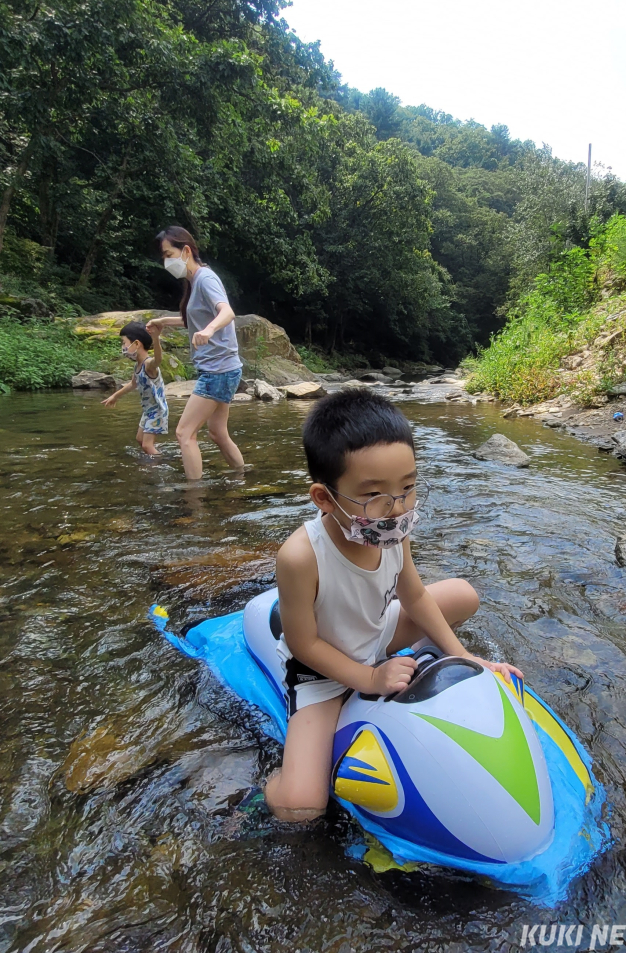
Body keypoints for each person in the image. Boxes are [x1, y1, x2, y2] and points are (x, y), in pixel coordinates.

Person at [265, 389, 523, 823]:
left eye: (407, 488)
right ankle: (267, 784)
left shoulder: (391, 529)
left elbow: (415, 595)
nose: (397, 508)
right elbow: (304, 644)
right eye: (374, 496)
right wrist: (369, 677)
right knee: (301, 806)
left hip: (376, 632)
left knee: (464, 594)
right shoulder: (300, 556)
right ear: (325, 498)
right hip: (322, 671)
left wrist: (462, 656)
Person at [146, 226, 245, 480]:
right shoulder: (194, 283)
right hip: (223, 368)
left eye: (169, 254)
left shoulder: (205, 279)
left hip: (217, 371)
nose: (166, 262)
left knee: (184, 433)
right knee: (218, 434)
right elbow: (197, 320)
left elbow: (227, 312)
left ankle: (194, 500)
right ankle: (242, 477)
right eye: (164, 257)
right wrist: (165, 322)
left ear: (186, 250)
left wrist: (210, 330)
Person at [101, 322, 168, 455]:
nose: (123, 347)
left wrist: (156, 339)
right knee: (139, 439)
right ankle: (155, 456)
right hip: (148, 410)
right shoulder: (138, 366)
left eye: (124, 343)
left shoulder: (148, 364)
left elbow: (158, 360)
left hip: (157, 410)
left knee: (147, 446)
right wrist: (115, 396)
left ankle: (161, 464)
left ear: (136, 344)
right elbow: (133, 384)